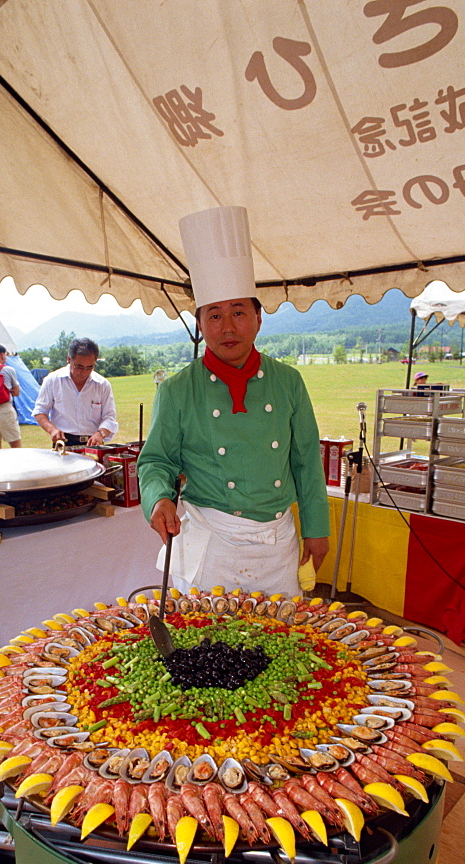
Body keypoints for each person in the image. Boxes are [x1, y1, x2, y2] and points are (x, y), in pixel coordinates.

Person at [137, 205, 329, 598]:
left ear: (259, 318)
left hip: (277, 542)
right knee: (204, 649)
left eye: (238, 312)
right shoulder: (177, 390)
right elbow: (156, 461)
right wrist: (157, 499)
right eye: (214, 315)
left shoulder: (288, 382)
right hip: (209, 541)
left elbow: (306, 460)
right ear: (200, 323)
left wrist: (317, 528)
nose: (227, 327)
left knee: (280, 644)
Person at [32, 337, 118, 448]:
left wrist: (100, 434)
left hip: (92, 443)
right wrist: (52, 430)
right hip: (64, 442)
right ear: (69, 359)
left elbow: (110, 417)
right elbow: (40, 411)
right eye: (79, 367)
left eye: (90, 367)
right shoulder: (52, 380)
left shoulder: (102, 385)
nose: (84, 372)